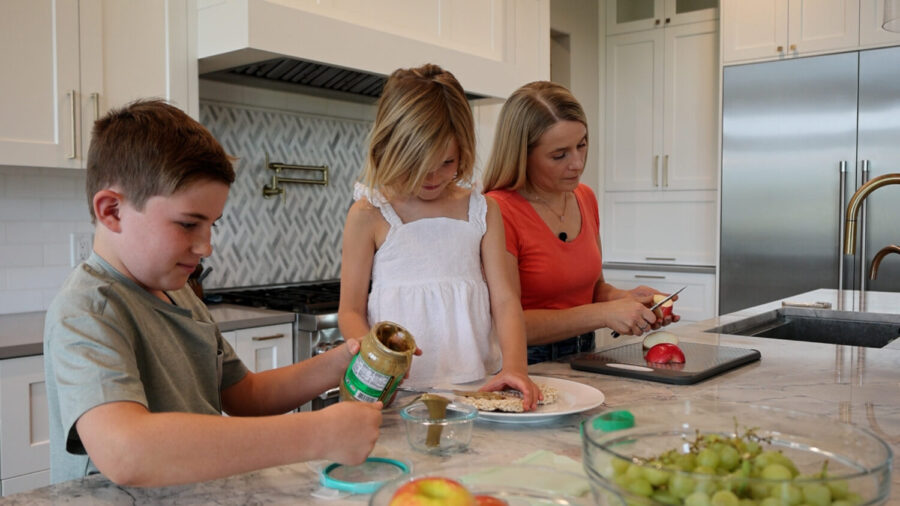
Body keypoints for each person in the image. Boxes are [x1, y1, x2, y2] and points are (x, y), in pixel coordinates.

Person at [43, 100, 382, 487]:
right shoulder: (88, 310)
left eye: (212, 226)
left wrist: (342, 362)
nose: (206, 247)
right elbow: (125, 451)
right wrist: (317, 434)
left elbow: (246, 395)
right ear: (112, 211)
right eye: (189, 224)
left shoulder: (180, 294)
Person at [338, 64, 539, 410]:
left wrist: (515, 367)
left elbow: (505, 301)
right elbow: (350, 310)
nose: (432, 178)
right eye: (417, 166)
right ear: (390, 148)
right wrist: (375, 355)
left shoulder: (482, 210)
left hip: (477, 388)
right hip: (398, 394)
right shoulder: (369, 213)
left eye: (446, 163)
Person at [482, 81, 679, 364]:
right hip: (527, 363)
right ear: (522, 155)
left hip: (585, 353)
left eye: (582, 145)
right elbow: (508, 322)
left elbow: (592, 289)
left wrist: (625, 299)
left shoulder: (584, 197)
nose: (577, 163)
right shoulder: (498, 210)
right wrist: (604, 315)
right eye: (559, 155)